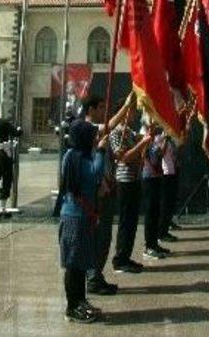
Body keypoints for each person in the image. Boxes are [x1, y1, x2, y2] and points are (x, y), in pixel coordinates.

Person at [80, 93, 132, 296]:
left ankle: (97, 275)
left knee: (104, 238)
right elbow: (108, 126)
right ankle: (92, 277)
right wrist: (126, 106)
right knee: (98, 237)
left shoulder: (99, 132)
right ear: (91, 110)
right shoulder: (86, 129)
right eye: (101, 108)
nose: (104, 111)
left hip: (108, 187)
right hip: (96, 192)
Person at [58, 119, 107, 323]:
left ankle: (80, 300)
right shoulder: (75, 157)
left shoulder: (76, 155)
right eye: (92, 136)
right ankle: (72, 306)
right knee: (73, 264)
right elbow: (95, 174)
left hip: (82, 216)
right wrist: (102, 152)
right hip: (74, 217)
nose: (95, 139)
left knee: (80, 263)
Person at [110, 98, 153, 273]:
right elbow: (125, 157)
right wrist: (142, 143)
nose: (134, 114)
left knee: (132, 221)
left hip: (134, 179)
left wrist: (146, 139)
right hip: (124, 181)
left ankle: (126, 256)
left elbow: (139, 154)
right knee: (126, 221)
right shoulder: (116, 133)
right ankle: (120, 259)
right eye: (132, 111)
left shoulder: (130, 132)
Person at [140, 122, 169, 260]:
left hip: (157, 177)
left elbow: (160, 155)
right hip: (148, 178)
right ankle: (148, 247)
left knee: (156, 212)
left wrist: (166, 140)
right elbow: (143, 155)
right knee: (150, 214)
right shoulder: (144, 140)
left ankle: (154, 243)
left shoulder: (153, 143)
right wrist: (146, 139)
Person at [159, 135, 180, 241]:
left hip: (171, 171)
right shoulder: (160, 138)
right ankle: (161, 233)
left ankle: (165, 230)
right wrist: (165, 140)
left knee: (170, 204)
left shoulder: (170, 140)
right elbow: (160, 154)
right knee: (164, 205)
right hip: (164, 173)